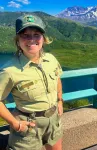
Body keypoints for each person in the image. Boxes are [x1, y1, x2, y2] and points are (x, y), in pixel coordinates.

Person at [0, 14, 63, 150]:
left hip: (53, 120)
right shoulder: (9, 70)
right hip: (28, 126)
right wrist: (15, 124)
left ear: (43, 39)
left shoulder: (51, 60)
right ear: (18, 41)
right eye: (25, 35)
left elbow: (57, 78)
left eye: (36, 34)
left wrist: (59, 100)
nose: (31, 39)